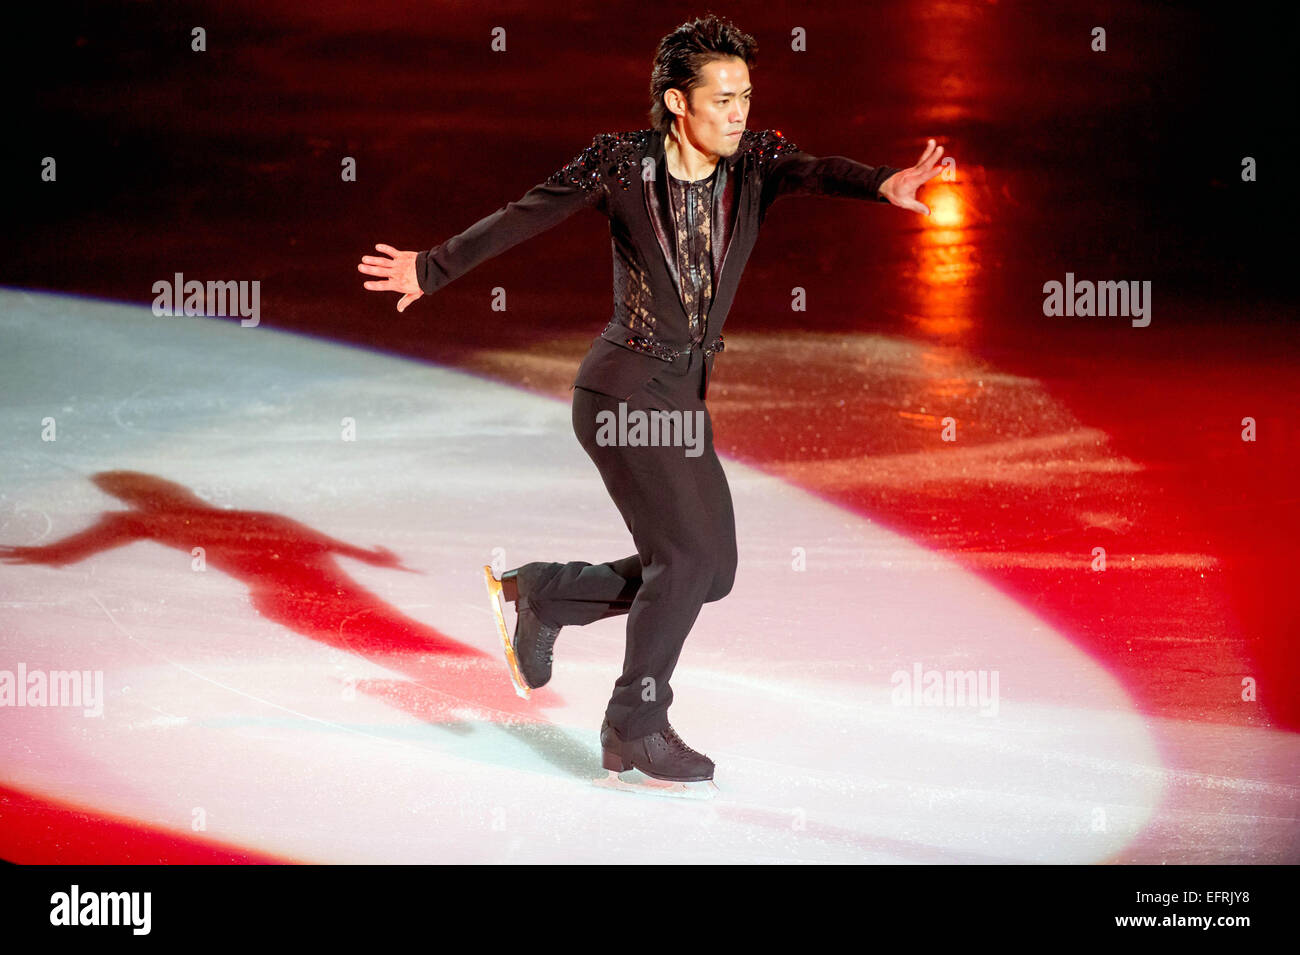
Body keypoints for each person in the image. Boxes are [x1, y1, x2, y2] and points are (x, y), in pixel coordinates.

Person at [358, 14, 942, 791]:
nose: (740, 112)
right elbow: (523, 214)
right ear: (676, 102)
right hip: (621, 389)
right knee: (689, 558)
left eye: (746, 95)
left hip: (680, 395)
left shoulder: (755, 164)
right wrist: (431, 268)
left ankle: (548, 593)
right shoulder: (621, 166)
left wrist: (880, 182)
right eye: (723, 97)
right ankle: (634, 720)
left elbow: (815, 169)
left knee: (714, 570)